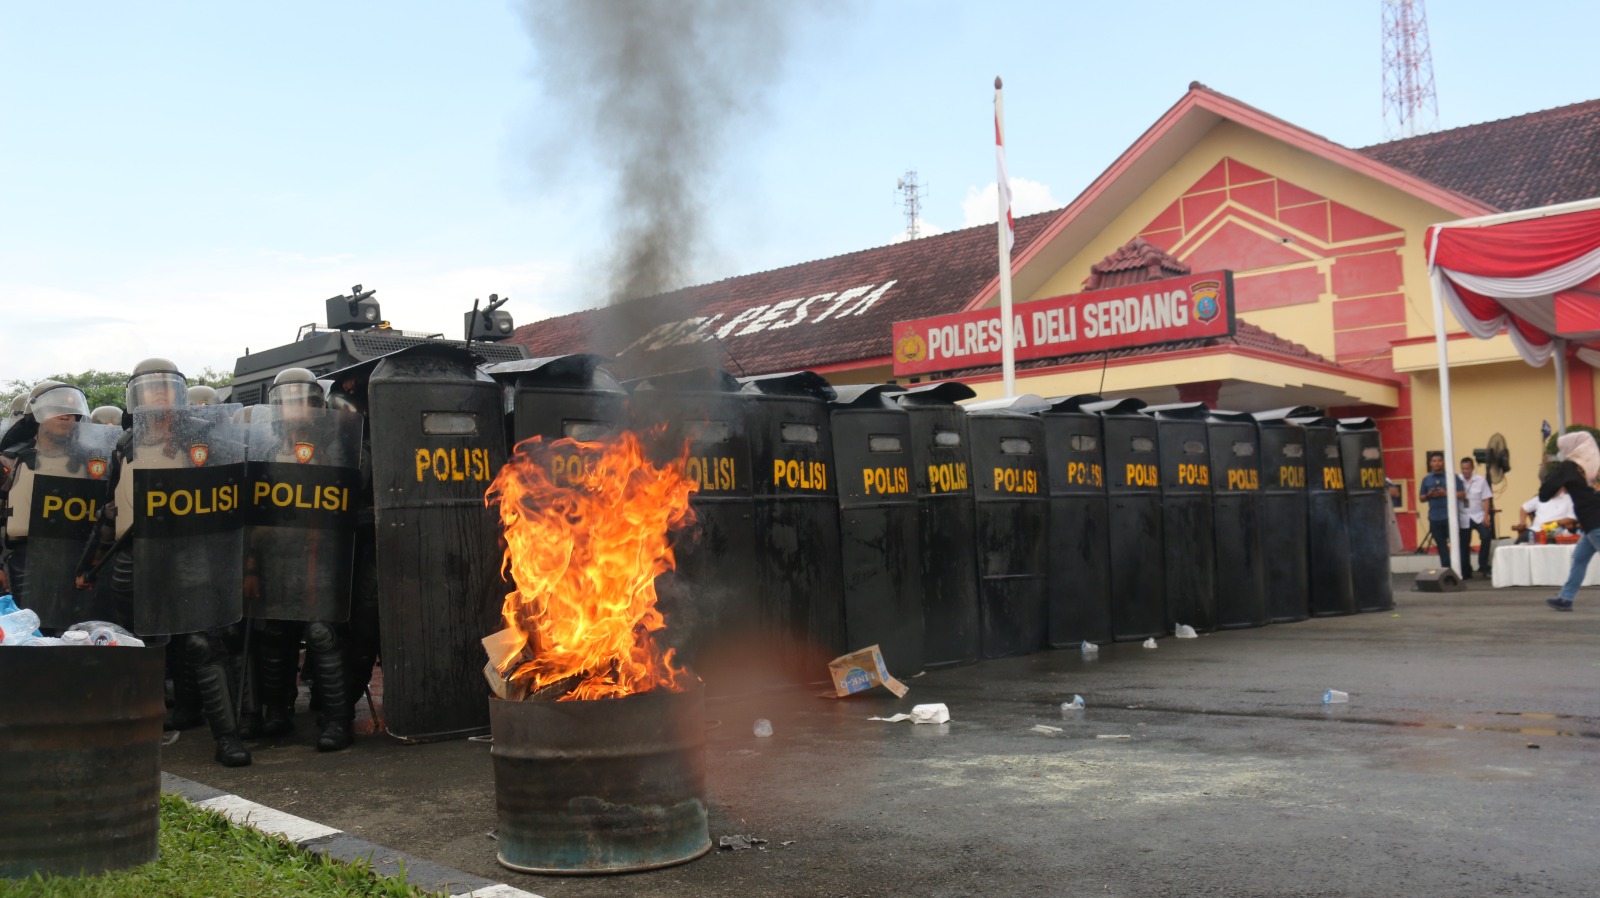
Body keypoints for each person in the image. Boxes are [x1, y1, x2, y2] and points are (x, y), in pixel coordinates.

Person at [78, 358, 252, 766]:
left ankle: (227, 737)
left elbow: (229, 500)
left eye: (165, 388)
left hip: (188, 552)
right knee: (139, 646)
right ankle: (139, 732)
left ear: (178, 395)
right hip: (134, 555)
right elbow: (111, 510)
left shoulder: (206, 438)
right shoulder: (126, 444)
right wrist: (90, 563)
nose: (158, 397)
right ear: (136, 398)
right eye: (149, 389)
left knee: (201, 643)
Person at [1542, 431, 1600, 611]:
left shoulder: (1568, 466)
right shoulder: (1595, 463)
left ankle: (1565, 599)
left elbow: (1544, 493)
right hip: (1591, 524)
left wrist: (1549, 470)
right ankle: (1566, 599)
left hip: (1594, 522)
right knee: (1580, 558)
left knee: (1579, 560)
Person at [1418, 452, 1465, 571]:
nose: (1437, 463)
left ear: (1443, 462)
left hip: (1450, 517)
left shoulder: (1452, 477)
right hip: (1434, 517)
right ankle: (1446, 570)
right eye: (1434, 461)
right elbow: (1421, 498)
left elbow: (1462, 494)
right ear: (1430, 463)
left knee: (1456, 544)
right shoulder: (1426, 479)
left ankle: (1460, 570)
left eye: (1439, 460)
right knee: (1441, 546)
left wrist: (1446, 493)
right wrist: (1428, 495)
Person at [1458, 457, 1494, 578]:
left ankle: (1483, 565)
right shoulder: (1457, 480)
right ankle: (1466, 570)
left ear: (1472, 468)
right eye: (1463, 469)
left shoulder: (1480, 480)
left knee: (1486, 536)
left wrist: (1486, 516)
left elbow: (1486, 498)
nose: (1465, 471)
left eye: (1467, 468)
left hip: (1478, 515)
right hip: (1463, 516)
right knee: (1464, 543)